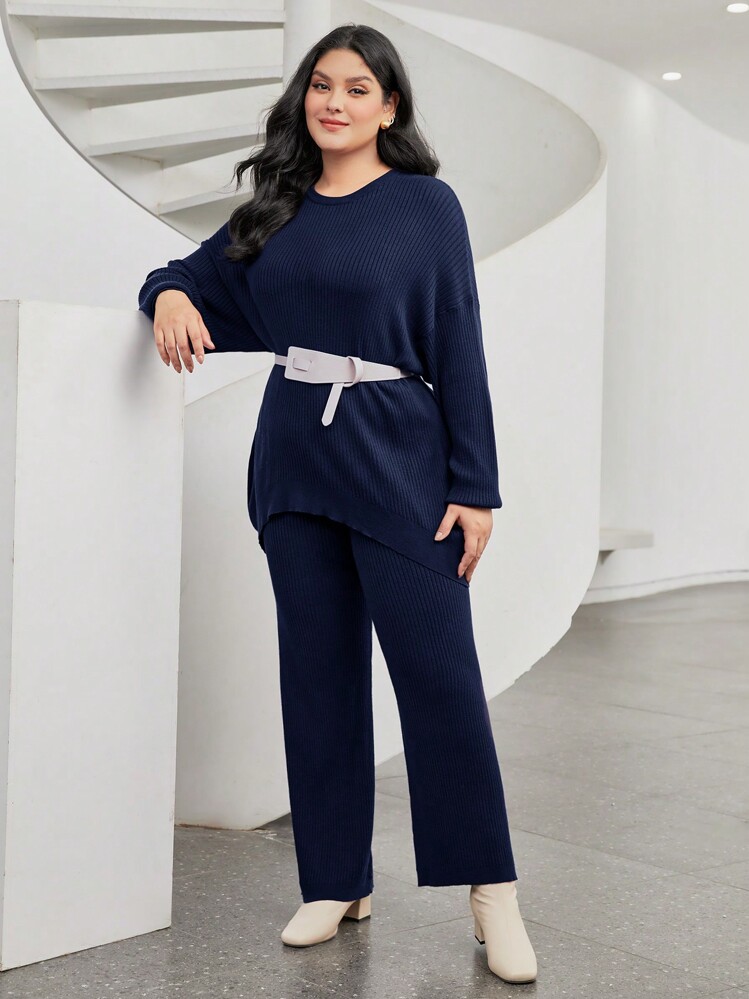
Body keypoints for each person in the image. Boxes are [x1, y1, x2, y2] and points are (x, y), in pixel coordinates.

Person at [137, 22, 537, 985]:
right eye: (322, 84)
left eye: (358, 88)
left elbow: (460, 339)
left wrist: (475, 486)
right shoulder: (276, 206)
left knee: (439, 680)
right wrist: (167, 296)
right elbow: (185, 277)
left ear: (388, 107)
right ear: (303, 98)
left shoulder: (425, 206)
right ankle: (334, 879)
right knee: (316, 678)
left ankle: (490, 890)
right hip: (295, 463)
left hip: (400, 460)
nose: (335, 102)